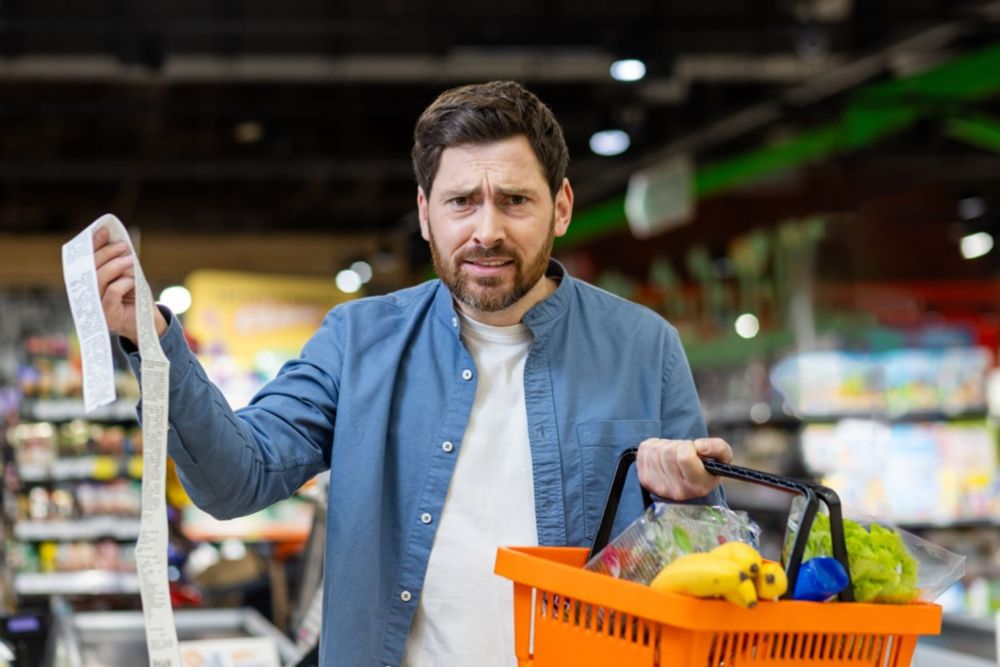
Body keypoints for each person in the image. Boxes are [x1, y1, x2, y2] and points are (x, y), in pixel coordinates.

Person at [92, 80, 733, 667]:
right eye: (462, 202)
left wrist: (685, 499)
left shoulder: (645, 347)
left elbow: (710, 565)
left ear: (560, 206)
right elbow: (237, 480)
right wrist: (150, 340)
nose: (487, 230)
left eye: (515, 201)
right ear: (425, 212)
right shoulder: (357, 341)